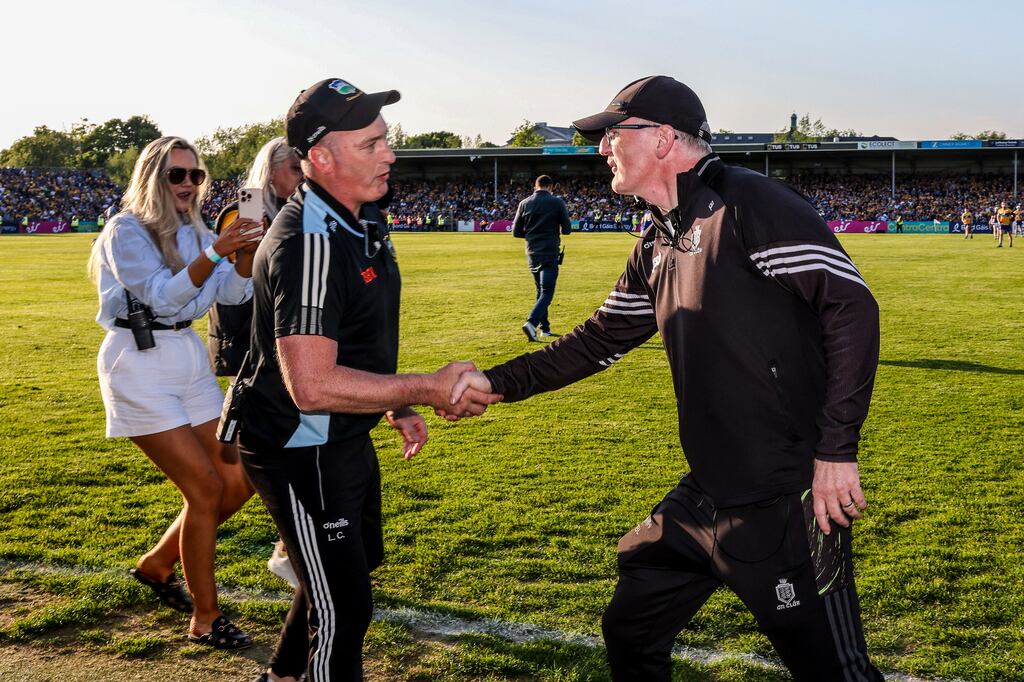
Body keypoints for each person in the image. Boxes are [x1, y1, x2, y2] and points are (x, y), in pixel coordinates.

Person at [449, 76, 883, 680]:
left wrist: (837, 450)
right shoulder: (656, 238)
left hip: (784, 501)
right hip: (704, 494)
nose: (600, 149)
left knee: (836, 672)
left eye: (611, 135)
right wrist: (496, 382)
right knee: (631, 627)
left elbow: (853, 308)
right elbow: (598, 339)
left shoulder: (749, 202)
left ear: (661, 138)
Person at [234, 77, 501, 682]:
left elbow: (358, 335)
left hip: (340, 435)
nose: (390, 154)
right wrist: (423, 388)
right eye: (372, 144)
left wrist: (394, 404)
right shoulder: (310, 243)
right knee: (343, 610)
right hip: (297, 444)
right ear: (321, 158)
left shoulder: (364, 217)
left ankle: (279, 676)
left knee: (348, 571)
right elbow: (312, 385)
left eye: (387, 140)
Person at [87, 136, 262, 648]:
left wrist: (245, 254)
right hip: (138, 362)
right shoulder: (125, 230)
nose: (189, 185)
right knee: (205, 490)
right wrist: (215, 251)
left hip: (187, 357)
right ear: (152, 178)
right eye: (177, 175)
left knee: (239, 475)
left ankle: (158, 564)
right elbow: (161, 297)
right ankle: (206, 618)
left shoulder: (199, 230)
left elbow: (231, 293)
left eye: (196, 176)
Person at [206, 136, 304, 587]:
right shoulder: (244, 211)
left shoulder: (294, 210)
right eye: (295, 169)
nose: (302, 177)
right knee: (255, 460)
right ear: (273, 170)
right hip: (252, 347)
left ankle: (289, 545)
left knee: (247, 469)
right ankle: (289, 546)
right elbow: (235, 284)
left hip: (276, 343)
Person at [511, 175, 571, 341]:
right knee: (547, 292)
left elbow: (516, 232)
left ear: (535, 186)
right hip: (549, 251)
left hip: (532, 252)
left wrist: (532, 235)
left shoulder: (524, 203)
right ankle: (531, 323)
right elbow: (567, 229)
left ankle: (545, 328)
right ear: (550, 187)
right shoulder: (557, 202)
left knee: (540, 291)